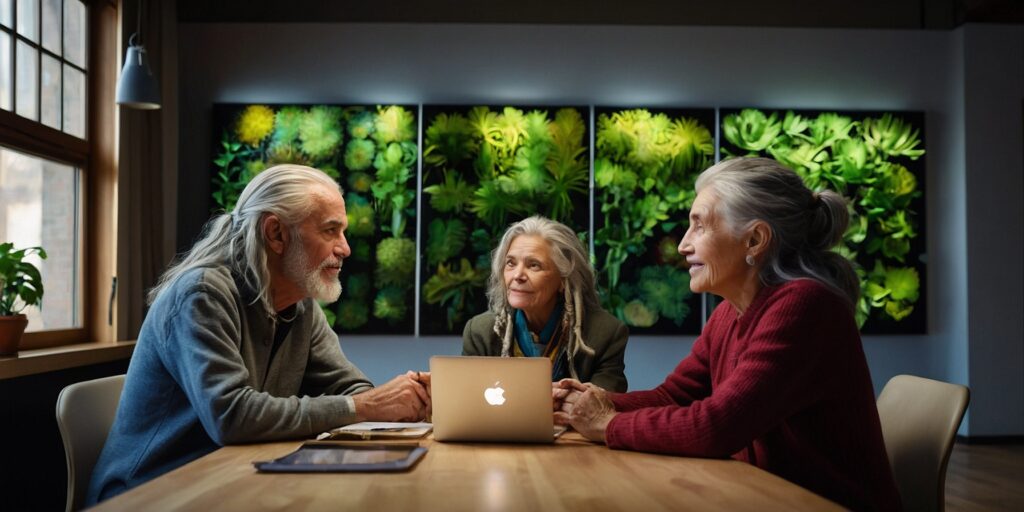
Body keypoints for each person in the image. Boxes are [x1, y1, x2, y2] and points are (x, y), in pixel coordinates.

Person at [553, 157, 901, 511]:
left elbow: (716, 427)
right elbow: (676, 396)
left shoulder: (805, 306)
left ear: (754, 240)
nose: (684, 245)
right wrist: (587, 402)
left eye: (699, 227)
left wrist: (608, 424)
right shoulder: (729, 313)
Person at [87, 164, 430, 504]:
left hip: (229, 481)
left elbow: (348, 390)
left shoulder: (301, 305)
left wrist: (405, 402)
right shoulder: (202, 294)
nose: (345, 248)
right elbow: (232, 417)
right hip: (150, 494)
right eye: (330, 231)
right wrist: (366, 406)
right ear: (276, 234)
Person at [463, 215, 628, 392]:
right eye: (510, 263)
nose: (517, 275)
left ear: (563, 280)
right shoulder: (481, 331)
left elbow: (605, 409)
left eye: (534, 265)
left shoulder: (605, 334)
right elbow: (466, 400)